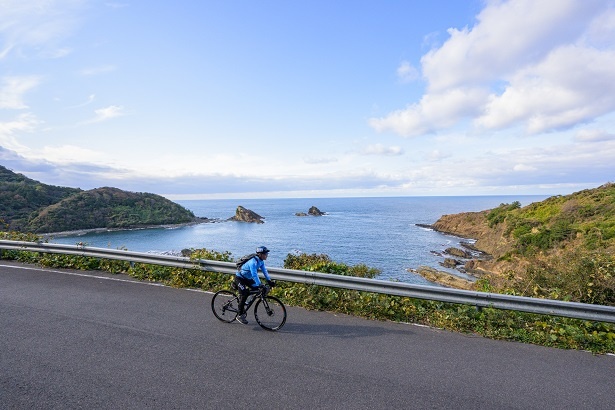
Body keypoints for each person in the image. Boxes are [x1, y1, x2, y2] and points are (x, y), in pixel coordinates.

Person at [234, 246, 275, 324]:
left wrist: (269, 281)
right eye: (265, 253)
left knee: (258, 290)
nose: (267, 255)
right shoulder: (253, 262)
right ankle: (239, 315)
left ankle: (246, 301)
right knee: (244, 294)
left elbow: (265, 272)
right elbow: (254, 274)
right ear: (260, 254)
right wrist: (259, 284)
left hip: (248, 279)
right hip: (240, 278)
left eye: (267, 253)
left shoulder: (261, 261)